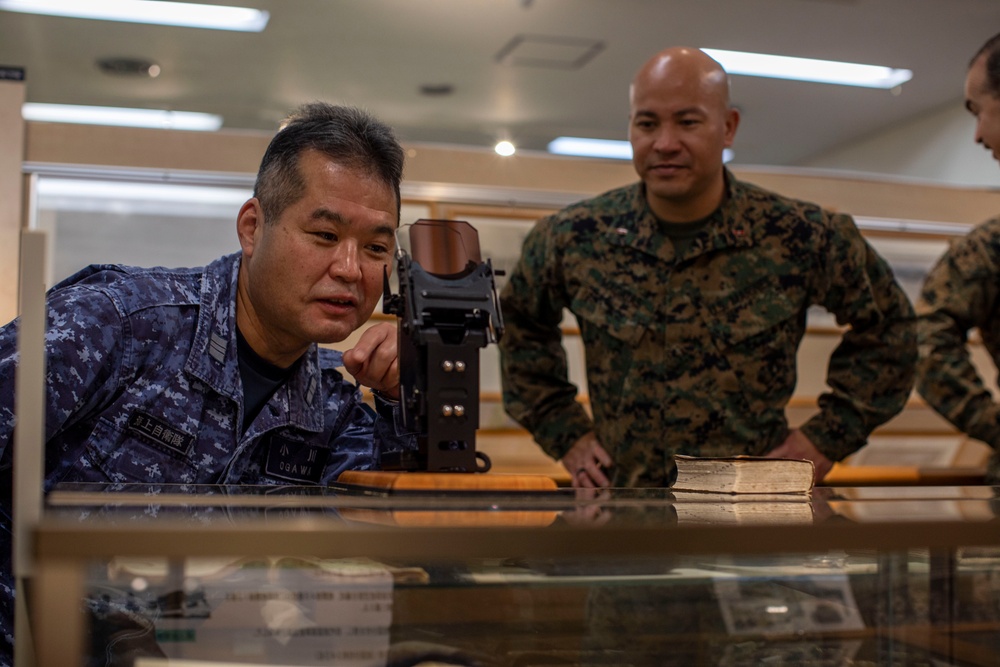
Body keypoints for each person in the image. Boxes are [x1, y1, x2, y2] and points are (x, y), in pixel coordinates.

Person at [0, 102, 415, 666]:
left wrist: (409, 398)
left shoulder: (337, 402)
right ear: (253, 227)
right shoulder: (117, 325)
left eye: (375, 249)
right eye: (323, 234)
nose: (350, 269)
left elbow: (388, 543)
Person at [499, 47, 917, 489]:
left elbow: (891, 331)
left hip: (752, 516)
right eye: (646, 123)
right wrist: (567, 434)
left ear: (728, 127)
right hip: (626, 514)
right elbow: (519, 329)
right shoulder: (574, 237)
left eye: (688, 121)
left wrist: (823, 442)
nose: (664, 143)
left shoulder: (801, 235)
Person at [916, 31, 1000, 483]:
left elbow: (925, 344)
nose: (977, 135)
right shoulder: (990, 247)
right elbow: (927, 344)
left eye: (977, 111)